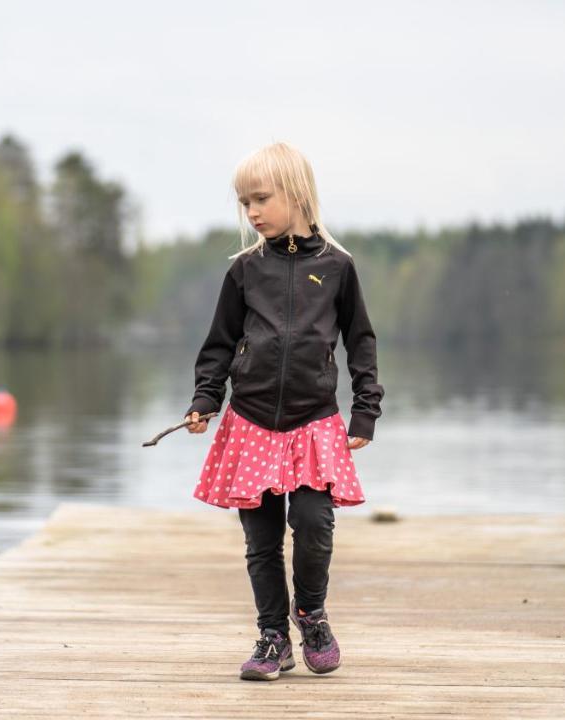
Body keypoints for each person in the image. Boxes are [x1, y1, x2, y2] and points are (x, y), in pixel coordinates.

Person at [182, 141, 384, 681]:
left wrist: (365, 410)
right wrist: (206, 399)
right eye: (244, 202)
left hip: (315, 421)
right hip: (250, 422)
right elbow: (220, 344)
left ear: (295, 195)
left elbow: (359, 342)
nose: (251, 212)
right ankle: (273, 637)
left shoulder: (338, 268)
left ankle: (311, 616)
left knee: (314, 523)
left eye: (260, 199)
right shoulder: (245, 271)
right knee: (262, 539)